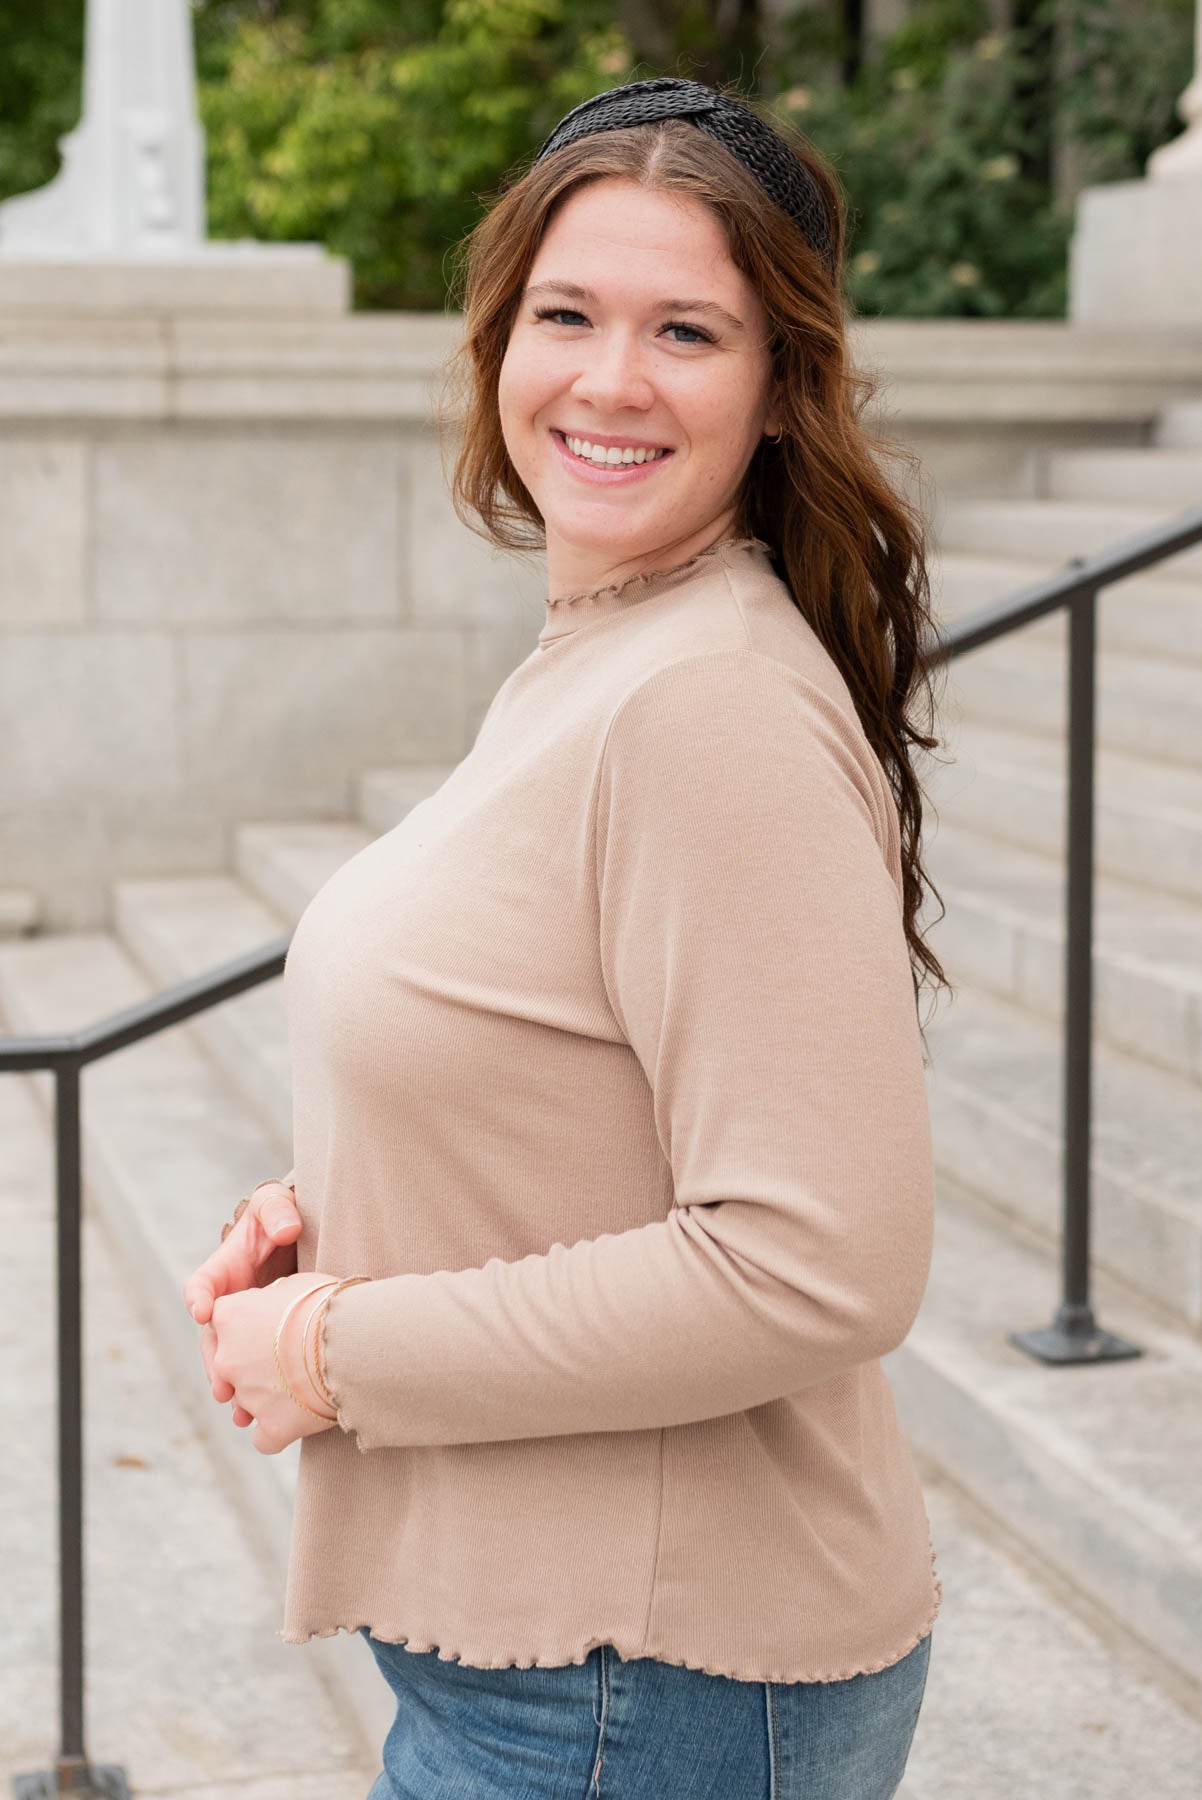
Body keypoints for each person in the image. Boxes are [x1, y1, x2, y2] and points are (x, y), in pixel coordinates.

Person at [182, 74, 955, 1800]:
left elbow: (815, 1259)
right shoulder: (615, 648)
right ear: (495, 340)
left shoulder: (704, 704)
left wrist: (328, 1353)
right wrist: (360, 1204)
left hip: (634, 1696)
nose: (609, 380)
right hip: (571, 1677)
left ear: (776, 389)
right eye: (566, 314)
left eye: (686, 329)